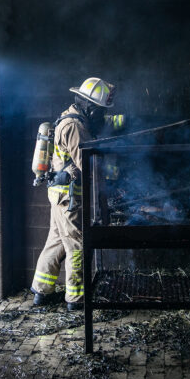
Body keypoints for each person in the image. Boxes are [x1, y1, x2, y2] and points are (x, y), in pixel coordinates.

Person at [30, 77, 116, 311]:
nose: (100, 116)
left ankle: (41, 291)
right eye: (100, 111)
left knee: (56, 241)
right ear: (90, 106)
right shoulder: (75, 127)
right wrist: (113, 177)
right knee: (77, 244)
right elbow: (87, 164)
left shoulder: (73, 118)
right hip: (69, 198)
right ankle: (76, 299)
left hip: (61, 195)